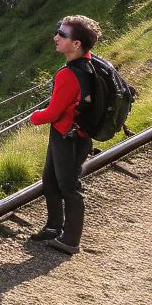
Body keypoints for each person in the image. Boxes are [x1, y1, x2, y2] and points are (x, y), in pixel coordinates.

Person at [28, 14, 101, 255]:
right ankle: (53, 227)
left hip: (68, 137)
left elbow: (53, 112)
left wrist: (34, 117)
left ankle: (70, 240)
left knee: (69, 187)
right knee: (50, 181)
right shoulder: (89, 64)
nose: (56, 37)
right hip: (70, 134)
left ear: (76, 44)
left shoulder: (68, 75)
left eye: (62, 34)